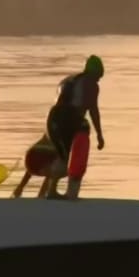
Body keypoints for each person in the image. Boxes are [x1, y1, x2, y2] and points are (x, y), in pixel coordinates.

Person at [45, 55, 105, 199]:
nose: (98, 80)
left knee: (63, 157)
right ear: (94, 72)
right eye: (98, 76)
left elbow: (59, 105)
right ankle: (72, 194)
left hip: (53, 119)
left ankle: (51, 190)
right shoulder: (91, 84)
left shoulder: (69, 80)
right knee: (78, 153)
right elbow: (93, 110)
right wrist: (99, 134)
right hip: (70, 119)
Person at [11, 134, 66, 198]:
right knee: (62, 166)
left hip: (30, 158)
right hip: (43, 158)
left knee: (51, 162)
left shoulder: (51, 128)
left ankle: (19, 189)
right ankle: (43, 195)